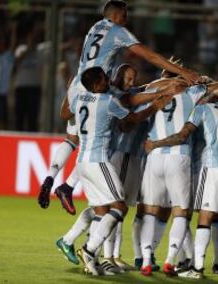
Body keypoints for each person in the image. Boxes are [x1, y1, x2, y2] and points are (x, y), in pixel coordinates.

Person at [38, 0, 202, 210]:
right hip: (97, 85)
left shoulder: (94, 28)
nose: (127, 19)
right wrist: (183, 73)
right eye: (125, 15)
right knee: (108, 131)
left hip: (80, 82)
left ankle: (51, 177)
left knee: (72, 136)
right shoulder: (118, 31)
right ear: (116, 15)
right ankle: (68, 186)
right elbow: (149, 55)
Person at [62, 66, 172, 275]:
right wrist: (155, 105)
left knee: (102, 210)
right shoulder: (107, 101)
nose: (108, 81)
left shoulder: (80, 99)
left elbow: (66, 112)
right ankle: (90, 249)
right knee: (119, 207)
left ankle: (89, 259)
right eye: (104, 79)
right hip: (99, 160)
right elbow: (129, 121)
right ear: (96, 84)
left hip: (81, 160)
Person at [139, 75, 218, 276]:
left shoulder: (155, 91)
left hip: (154, 157)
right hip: (179, 157)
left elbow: (148, 88)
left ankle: (146, 260)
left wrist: (164, 83)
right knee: (181, 211)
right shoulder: (191, 94)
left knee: (150, 211)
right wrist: (201, 82)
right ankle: (170, 259)